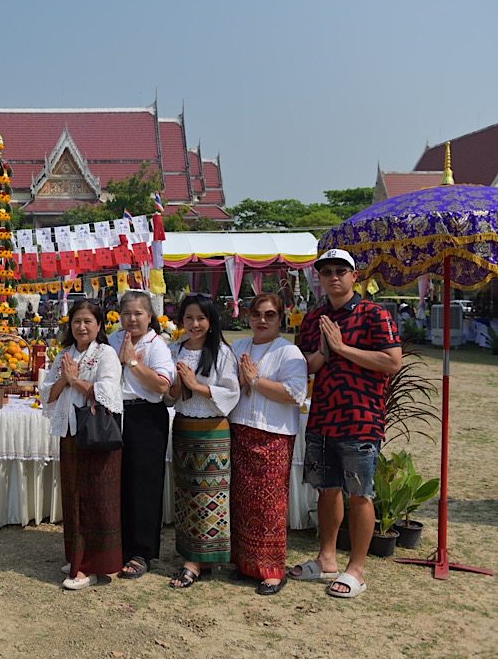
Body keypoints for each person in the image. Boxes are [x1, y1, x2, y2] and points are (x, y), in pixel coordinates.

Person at [289, 249, 401, 599]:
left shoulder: (374, 314)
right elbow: (303, 365)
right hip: (322, 415)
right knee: (326, 489)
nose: (333, 277)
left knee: (360, 493)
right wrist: (323, 353)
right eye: (326, 272)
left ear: (355, 276)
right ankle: (326, 558)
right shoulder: (314, 317)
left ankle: (356, 569)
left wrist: (341, 347)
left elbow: (391, 361)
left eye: (341, 270)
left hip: (361, 418)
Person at [40, 300, 124, 590]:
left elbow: (108, 394)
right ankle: (77, 556)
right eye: (77, 321)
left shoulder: (106, 354)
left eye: (88, 321)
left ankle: (91, 566)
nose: (82, 327)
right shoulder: (65, 354)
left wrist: (74, 380)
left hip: (96, 435)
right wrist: (65, 380)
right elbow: (47, 394)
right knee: (74, 495)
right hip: (70, 433)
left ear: (99, 325)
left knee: (96, 498)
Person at [228, 293, 308, 595]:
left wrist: (255, 380)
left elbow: (295, 393)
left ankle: (272, 571)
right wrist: (241, 379)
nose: (262, 320)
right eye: (257, 314)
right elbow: (225, 384)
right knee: (241, 503)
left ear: (280, 318)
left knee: (269, 506)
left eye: (270, 314)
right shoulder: (238, 347)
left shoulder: (289, 352)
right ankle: (245, 564)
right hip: (239, 430)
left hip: (273, 435)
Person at [166, 294, 240, 589]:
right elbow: (168, 396)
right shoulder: (174, 349)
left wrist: (195, 385)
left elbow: (231, 393)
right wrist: (177, 387)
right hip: (184, 427)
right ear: (181, 320)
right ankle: (197, 556)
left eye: (201, 318)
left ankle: (197, 561)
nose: (194, 324)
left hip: (212, 430)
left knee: (209, 495)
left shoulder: (221, 351)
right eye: (189, 318)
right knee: (186, 494)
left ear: (211, 321)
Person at [107, 291, 174, 580]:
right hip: (114, 413)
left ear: (150, 317)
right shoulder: (112, 340)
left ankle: (141, 552)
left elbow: (162, 386)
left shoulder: (157, 345)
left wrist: (133, 362)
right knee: (116, 481)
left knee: (144, 485)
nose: (132, 319)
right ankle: (116, 546)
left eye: (138, 314)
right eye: (126, 313)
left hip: (146, 416)